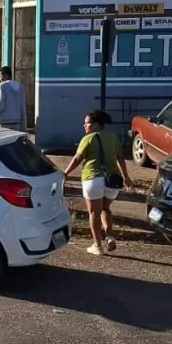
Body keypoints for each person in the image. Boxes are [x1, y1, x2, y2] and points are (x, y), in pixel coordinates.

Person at [63, 109, 131, 256]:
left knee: (94, 212)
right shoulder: (113, 137)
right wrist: (126, 176)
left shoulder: (88, 138)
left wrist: (65, 174)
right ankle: (110, 236)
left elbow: (77, 159)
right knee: (105, 209)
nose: (84, 126)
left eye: (87, 123)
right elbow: (121, 158)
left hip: (93, 179)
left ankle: (97, 245)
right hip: (113, 181)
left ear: (96, 124)